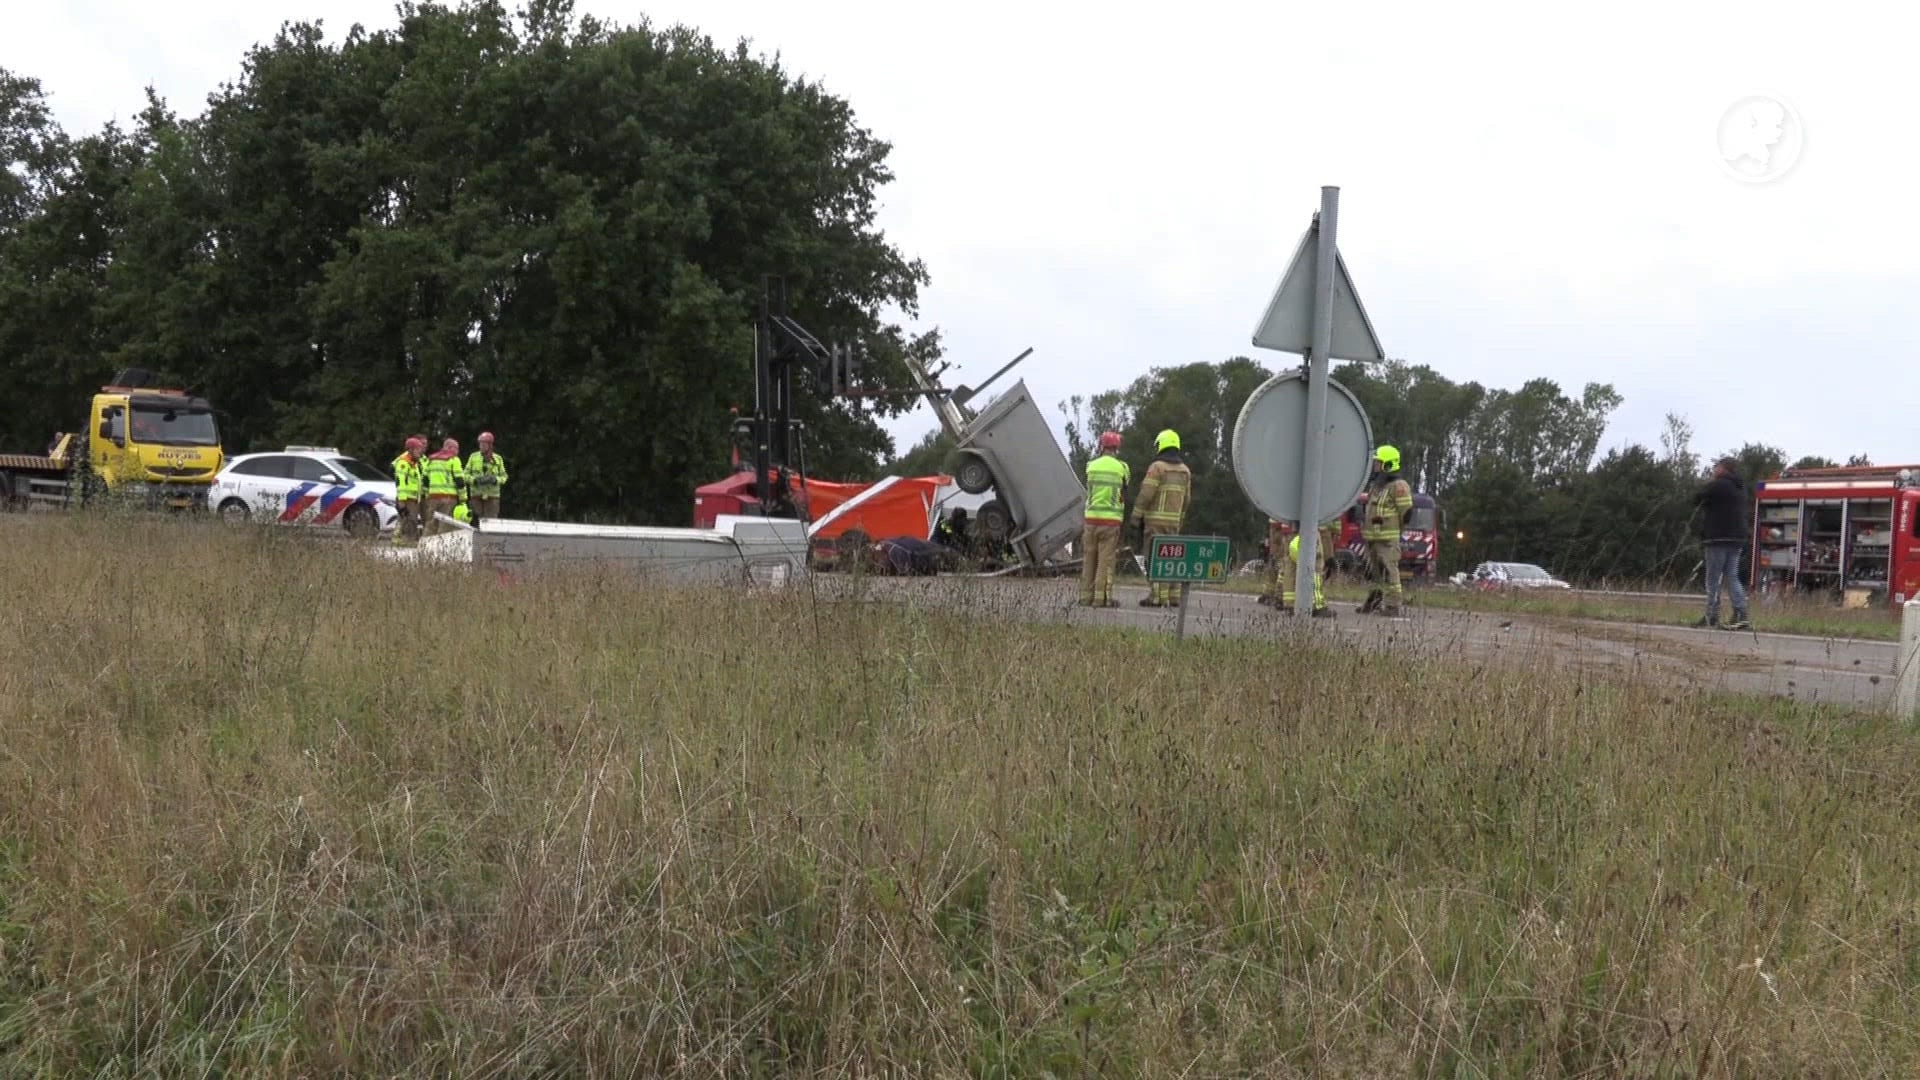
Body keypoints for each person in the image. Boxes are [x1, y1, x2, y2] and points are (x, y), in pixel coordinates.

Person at [1129, 429, 1191, 607]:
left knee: (1154, 557)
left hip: (1155, 522)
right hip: (1173, 523)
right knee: (1172, 557)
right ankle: (1174, 596)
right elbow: (1187, 500)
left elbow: (1146, 495)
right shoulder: (1185, 471)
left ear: (1161, 445)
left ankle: (1157, 597)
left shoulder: (1157, 468)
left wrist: (1135, 517)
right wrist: (1180, 520)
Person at [1695, 456, 1751, 630]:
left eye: (1716, 466)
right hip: (1737, 538)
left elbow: (1696, 499)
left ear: (1723, 468)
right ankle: (1741, 613)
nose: (1714, 469)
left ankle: (1711, 615)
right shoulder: (1741, 487)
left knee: (1713, 578)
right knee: (1732, 576)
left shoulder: (1718, 485)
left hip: (1718, 537)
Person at [1358, 444, 1415, 616]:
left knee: (1390, 572)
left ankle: (1392, 606)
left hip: (1387, 540)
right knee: (1373, 574)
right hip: (1372, 538)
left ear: (1388, 465)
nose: (1375, 467)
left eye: (1378, 463)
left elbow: (1407, 513)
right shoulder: (1377, 486)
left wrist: (1396, 531)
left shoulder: (1399, 486)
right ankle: (1374, 600)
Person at [1079, 430, 1130, 607]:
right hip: (1110, 522)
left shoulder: (1091, 466)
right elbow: (1125, 490)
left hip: (1090, 520)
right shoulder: (1122, 468)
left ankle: (1085, 597)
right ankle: (1101, 598)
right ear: (1116, 448)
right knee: (1105, 562)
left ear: (1102, 446)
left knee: (1089, 559)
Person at [1283, 532, 1335, 617]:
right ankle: (1317, 606)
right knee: (1314, 566)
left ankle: (1290, 605)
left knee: (1291, 569)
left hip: (1291, 530)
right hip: (1309, 529)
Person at [389, 436, 427, 547]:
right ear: (410, 450)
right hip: (407, 499)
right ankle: (408, 542)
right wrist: (402, 501)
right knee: (410, 522)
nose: (420, 452)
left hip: (414, 498)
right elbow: (401, 484)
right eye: (417, 450)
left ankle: (402, 541)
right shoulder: (403, 464)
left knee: (408, 521)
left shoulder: (414, 464)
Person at [423, 438, 464, 536]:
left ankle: (426, 546)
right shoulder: (454, 460)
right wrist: (463, 498)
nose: (457, 452)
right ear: (450, 448)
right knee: (445, 524)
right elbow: (459, 481)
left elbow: (425, 479)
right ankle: (442, 548)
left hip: (433, 497)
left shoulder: (431, 459)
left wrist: (426, 494)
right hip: (449, 498)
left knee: (430, 523)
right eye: (456, 449)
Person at [465, 431, 507, 525]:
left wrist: (495, 480)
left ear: (490, 445)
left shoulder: (498, 459)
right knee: (475, 523)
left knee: (491, 523)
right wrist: (474, 480)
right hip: (476, 497)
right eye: (480, 443)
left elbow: (504, 477)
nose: (481, 446)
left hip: (492, 498)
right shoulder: (473, 457)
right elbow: (465, 475)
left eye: (484, 443)